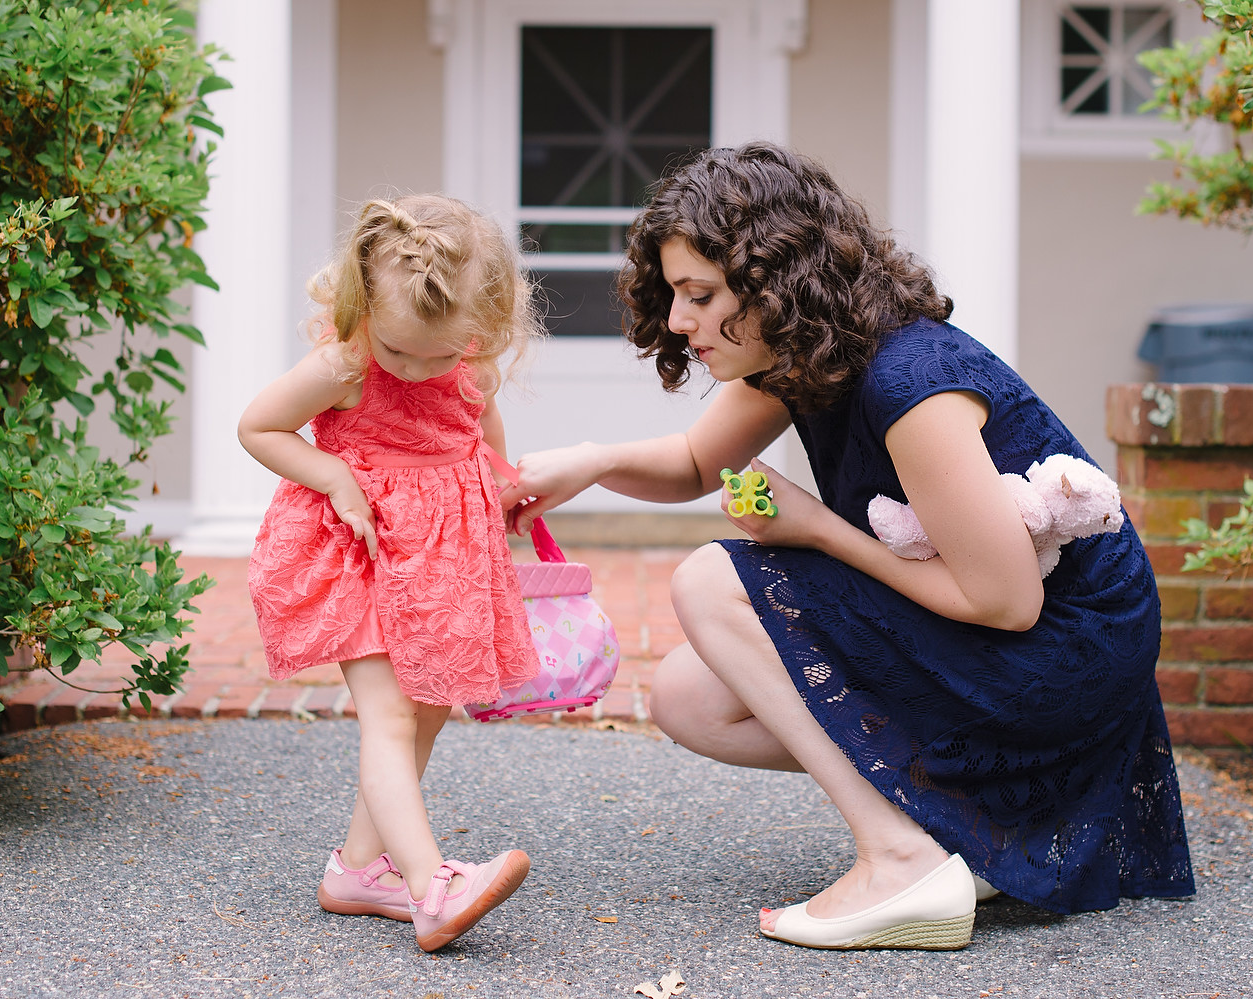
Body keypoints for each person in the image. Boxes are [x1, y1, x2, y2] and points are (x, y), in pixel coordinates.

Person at [500, 143, 1194, 951]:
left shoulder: (913, 385)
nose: (681, 321)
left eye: (699, 294)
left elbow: (1006, 602)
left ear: (774, 282)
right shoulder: (807, 352)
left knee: (709, 580)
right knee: (692, 696)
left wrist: (817, 528)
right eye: (676, 295)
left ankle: (900, 857)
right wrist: (591, 462)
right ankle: (961, 827)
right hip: (997, 622)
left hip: (1066, 648)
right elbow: (698, 462)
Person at [238, 194, 540, 953]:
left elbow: (480, 421)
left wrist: (506, 489)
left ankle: (357, 870)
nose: (417, 368)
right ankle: (429, 883)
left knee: (430, 705)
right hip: (360, 548)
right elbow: (259, 426)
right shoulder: (346, 358)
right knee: (391, 713)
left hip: (441, 557)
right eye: (400, 351)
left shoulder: (468, 350)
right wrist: (333, 474)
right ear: (364, 305)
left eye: (439, 355)